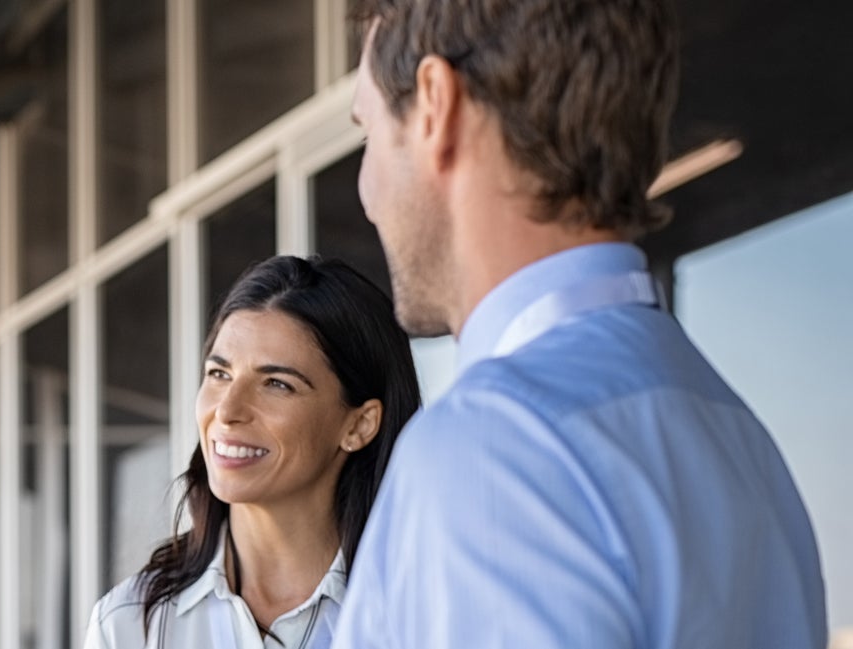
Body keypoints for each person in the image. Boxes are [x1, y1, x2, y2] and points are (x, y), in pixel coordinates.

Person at [336, 0, 827, 647]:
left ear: (435, 105)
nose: (365, 189)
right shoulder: (738, 437)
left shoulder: (490, 449)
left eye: (368, 134)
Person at [83, 256, 421, 649]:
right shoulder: (128, 625)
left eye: (277, 384)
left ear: (358, 425)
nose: (226, 411)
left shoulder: (423, 611)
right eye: (219, 374)